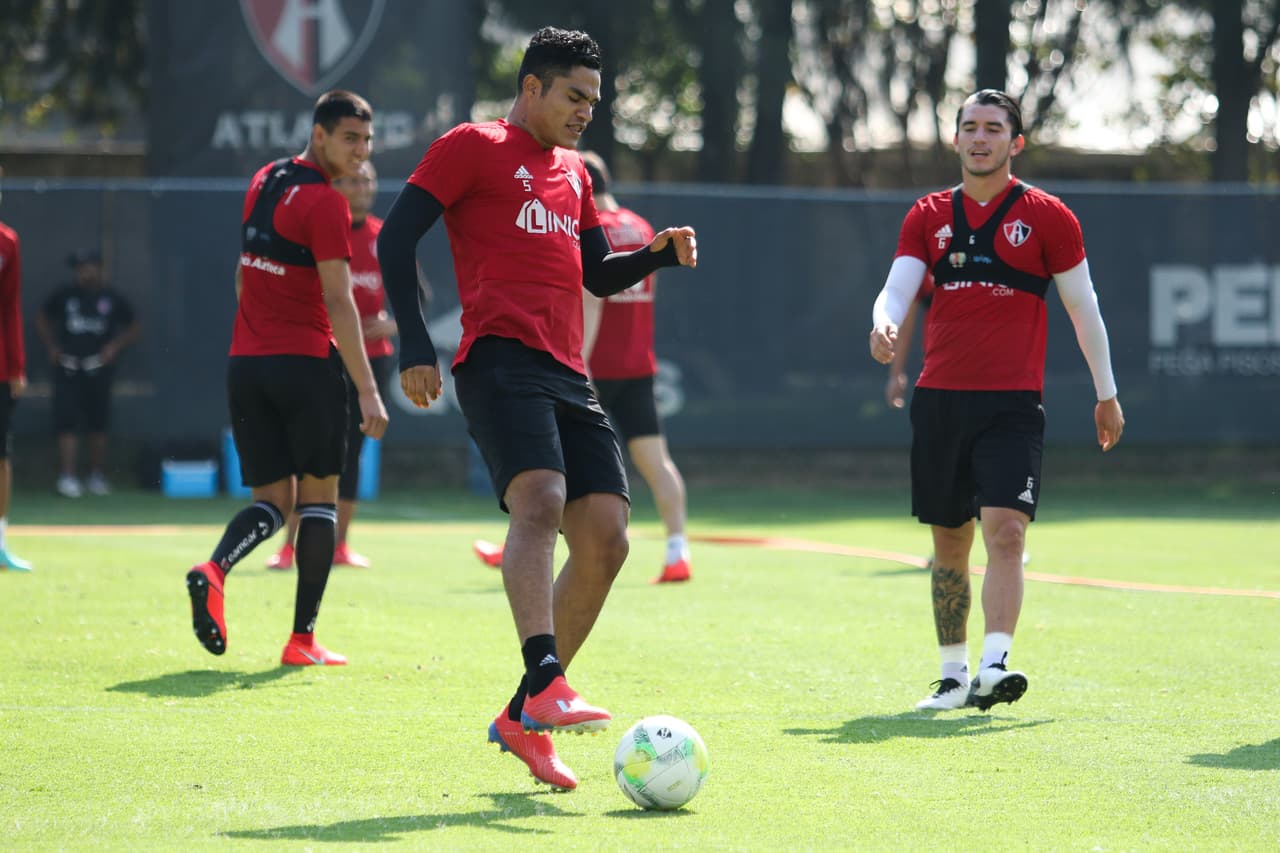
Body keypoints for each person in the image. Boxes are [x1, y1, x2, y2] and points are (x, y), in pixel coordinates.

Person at [377, 26, 697, 790]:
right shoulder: (471, 145)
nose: (587, 110)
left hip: (566, 369)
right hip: (497, 358)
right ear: (532, 88)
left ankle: (523, 716)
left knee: (610, 540)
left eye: (594, 98)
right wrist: (413, 345)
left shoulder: (575, 175)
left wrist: (656, 254)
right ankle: (546, 676)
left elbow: (596, 273)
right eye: (574, 96)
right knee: (543, 499)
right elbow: (395, 239)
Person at [868, 89, 1124, 713]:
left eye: (992, 128)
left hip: (1012, 405)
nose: (979, 138)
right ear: (954, 139)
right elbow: (896, 288)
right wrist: (884, 323)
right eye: (968, 127)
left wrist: (1106, 394)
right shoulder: (927, 215)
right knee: (950, 544)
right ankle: (953, 675)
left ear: (1016, 142)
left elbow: (1083, 308)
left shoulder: (1048, 216)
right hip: (940, 402)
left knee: (1006, 532)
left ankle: (995, 664)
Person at [184, 90, 388, 667]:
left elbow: (243, 272)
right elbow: (340, 302)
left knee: (273, 503)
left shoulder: (264, 178)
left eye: (367, 140)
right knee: (319, 501)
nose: (360, 151)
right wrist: (368, 389)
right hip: (306, 366)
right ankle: (302, 640)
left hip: (246, 364)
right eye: (350, 138)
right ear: (318, 134)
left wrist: (253, 329)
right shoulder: (325, 203)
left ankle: (214, 567)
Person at [472, 151, 693, 584]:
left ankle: (521, 545)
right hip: (638, 367)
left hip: (590, 369)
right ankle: (677, 550)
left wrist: (582, 367)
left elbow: (592, 298)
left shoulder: (590, 231)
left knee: (547, 464)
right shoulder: (643, 227)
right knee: (656, 461)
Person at [263, 159, 417, 571]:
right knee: (308, 452)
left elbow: (417, 301)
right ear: (336, 184)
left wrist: (390, 323)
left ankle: (339, 545)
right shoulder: (316, 231)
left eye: (366, 179)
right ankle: (289, 547)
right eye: (350, 179)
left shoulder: (387, 238)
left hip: (372, 365)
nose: (360, 187)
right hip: (319, 359)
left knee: (351, 455)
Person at [35, 249, 141, 497]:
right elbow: (42, 317)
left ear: (99, 269)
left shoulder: (111, 297)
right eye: (80, 268)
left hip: (98, 367)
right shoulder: (64, 294)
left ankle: (96, 475)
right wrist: (52, 347)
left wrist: (114, 346)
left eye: (88, 267)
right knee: (67, 422)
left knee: (98, 423)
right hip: (68, 367)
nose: (84, 272)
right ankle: (68, 476)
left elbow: (134, 324)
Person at [0, 166, 33, 571]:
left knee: (1, 456)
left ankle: (1, 542)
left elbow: (10, 308)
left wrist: (17, 367)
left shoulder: (8, 241)